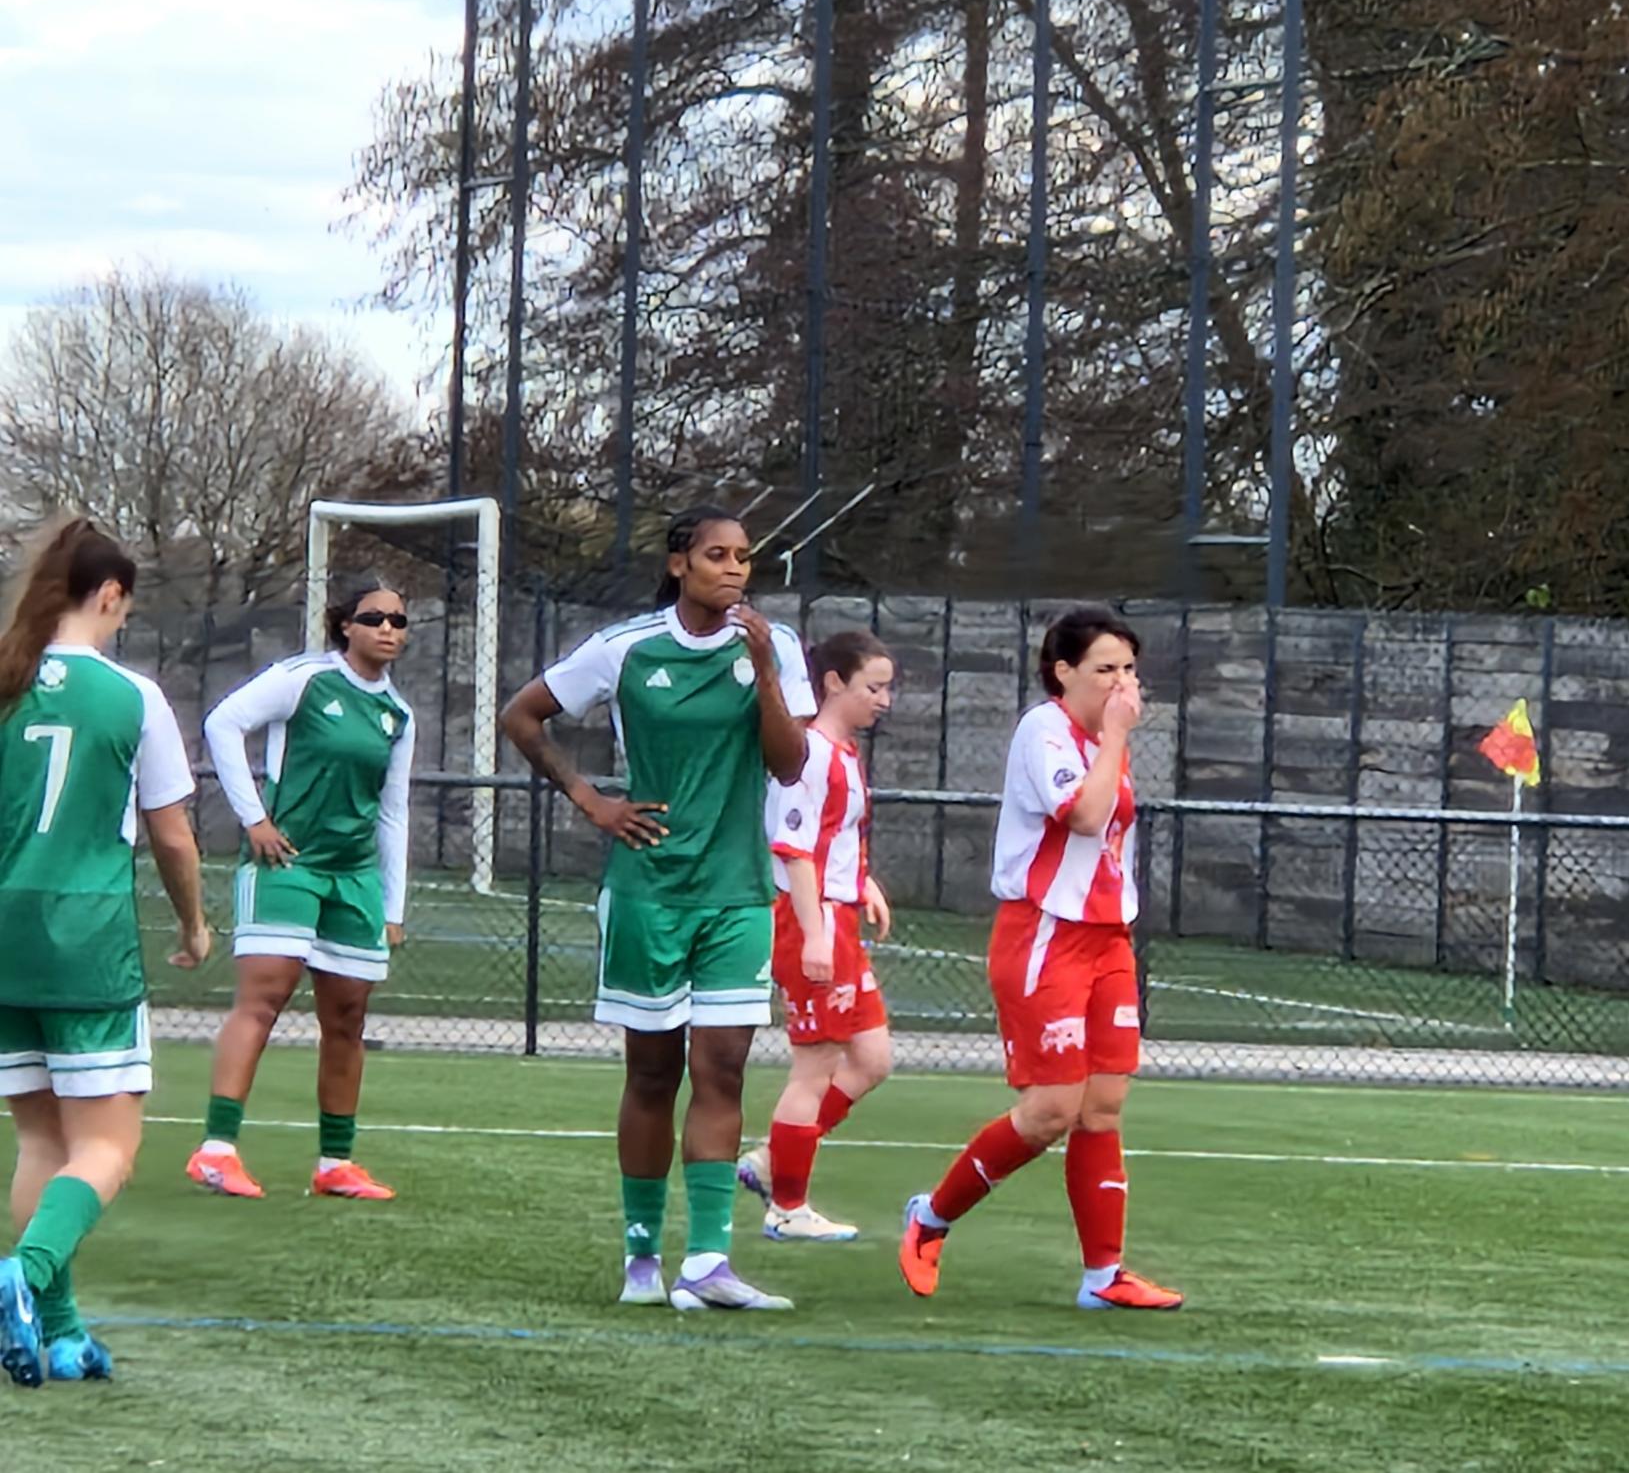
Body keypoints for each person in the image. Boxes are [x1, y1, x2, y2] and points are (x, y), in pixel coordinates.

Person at [501, 506, 812, 1311]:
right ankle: (641, 1259)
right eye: (717, 555)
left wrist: (765, 672)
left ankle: (706, 1264)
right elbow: (521, 716)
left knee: (723, 1067)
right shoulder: (627, 648)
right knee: (652, 1072)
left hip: (737, 891)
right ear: (679, 564)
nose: (734, 569)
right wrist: (590, 799)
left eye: (744, 556)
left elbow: (789, 765)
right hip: (648, 891)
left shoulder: (774, 646)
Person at [897, 605, 1181, 1310]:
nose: (1122, 683)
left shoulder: (1104, 740)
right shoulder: (1043, 730)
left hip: (1107, 936)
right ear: (1063, 672)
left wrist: (1113, 740)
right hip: (1045, 934)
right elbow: (1082, 815)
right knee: (1052, 1109)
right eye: (1105, 669)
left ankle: (1103, 1277)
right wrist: (1117, 736)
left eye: (1130, 669)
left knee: (1103, 1106)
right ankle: (931, 1217)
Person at [0, 519, 208, 1387]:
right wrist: (194, 925)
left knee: (41, 1143)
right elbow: (173, 836)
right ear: (111, 594)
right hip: (86, 938)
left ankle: (61, 1335)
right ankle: (23, 1274)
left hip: (5, 935)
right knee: (108, 1147)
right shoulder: (132, 697)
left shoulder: (6, 680)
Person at [186, 582, 415, 1202]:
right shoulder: (305, 679)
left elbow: (392, 811)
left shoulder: (398, 714)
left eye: (399, 620)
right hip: (288, 865)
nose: (388, 628)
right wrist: (254, 819)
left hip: (354, 877)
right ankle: (215, 1151)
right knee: (263, 998)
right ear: (345, 626)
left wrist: (392, 905)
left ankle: (335, 1163)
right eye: (375, 618)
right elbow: (223, 723)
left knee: (347, 1017)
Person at [737, 631, 897, 1242]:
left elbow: (832, 838)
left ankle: (769, 1161)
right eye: (873, 687)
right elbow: (794, 850)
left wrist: (862, 884)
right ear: (833, 683)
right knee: (814, 1067)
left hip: (837, 912)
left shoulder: (843, 754)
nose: (884, 700)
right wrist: (813, 935)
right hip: (814, 917)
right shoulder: (807, 755)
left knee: (872, 1059)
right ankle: (787, 1207)